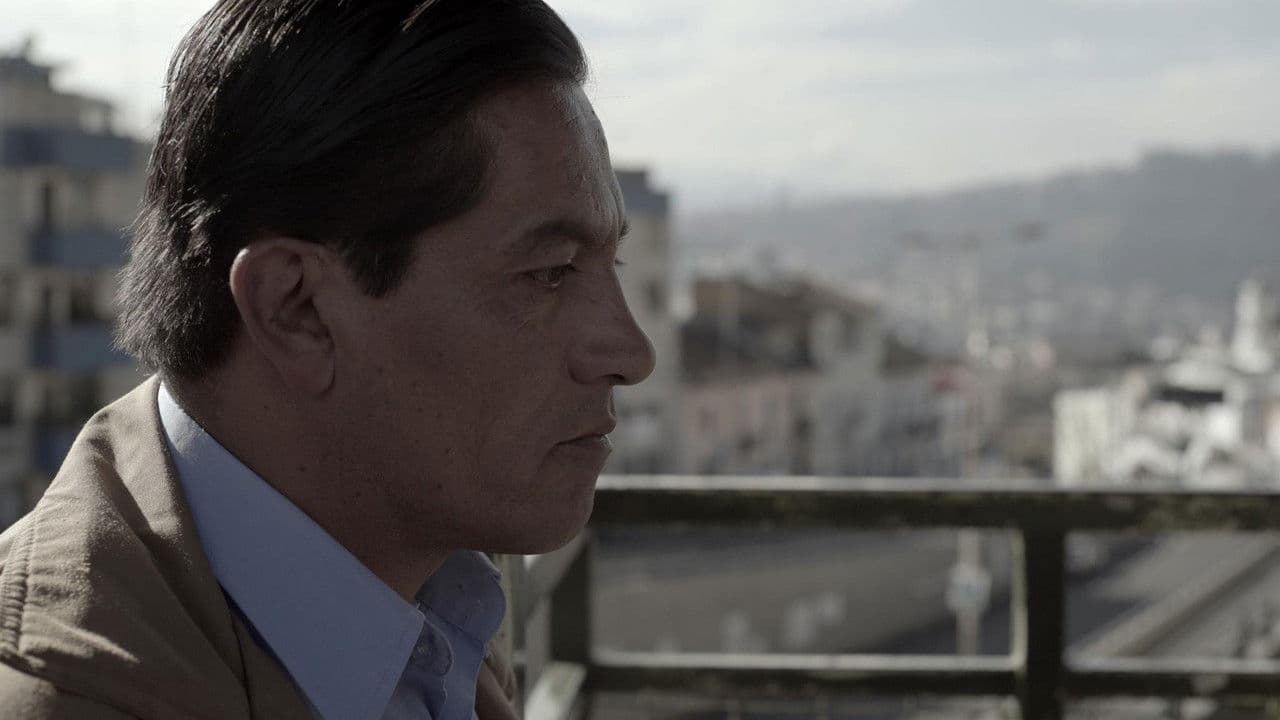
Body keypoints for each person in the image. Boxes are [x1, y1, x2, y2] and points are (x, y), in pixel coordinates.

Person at [0, 1, 655, 718]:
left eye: (611, 262)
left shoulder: (419, 574)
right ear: (296, 309)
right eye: (550, 273)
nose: (632, 353)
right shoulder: (67, 694)